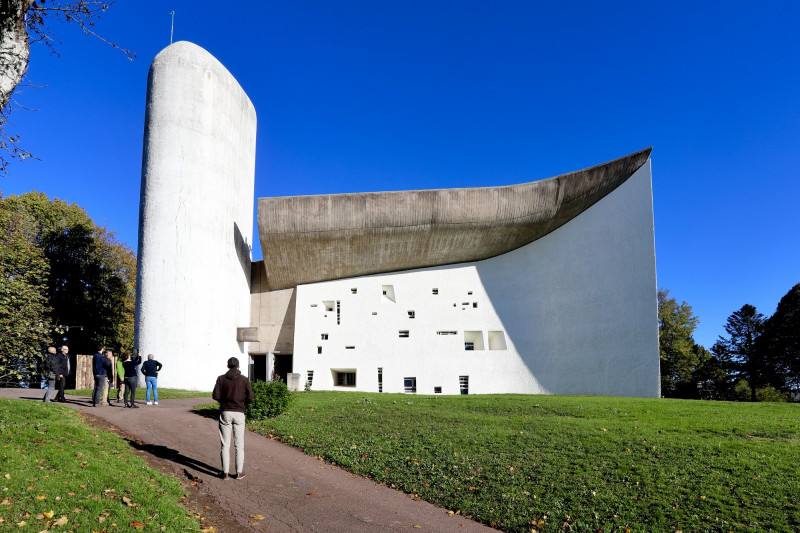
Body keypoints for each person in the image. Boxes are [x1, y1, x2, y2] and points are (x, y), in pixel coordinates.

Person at [212, 357, 253, 480]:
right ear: (238, 366)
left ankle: (225, 473)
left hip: (225, 412)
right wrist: (242, 403)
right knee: (239, 445)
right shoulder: (244, 380)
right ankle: (239, 473)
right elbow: (250, 397)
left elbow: (215, 395)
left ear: (227, 366)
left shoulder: (221, 379)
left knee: (225, 444)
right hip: (239, 412)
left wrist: (224, 402)